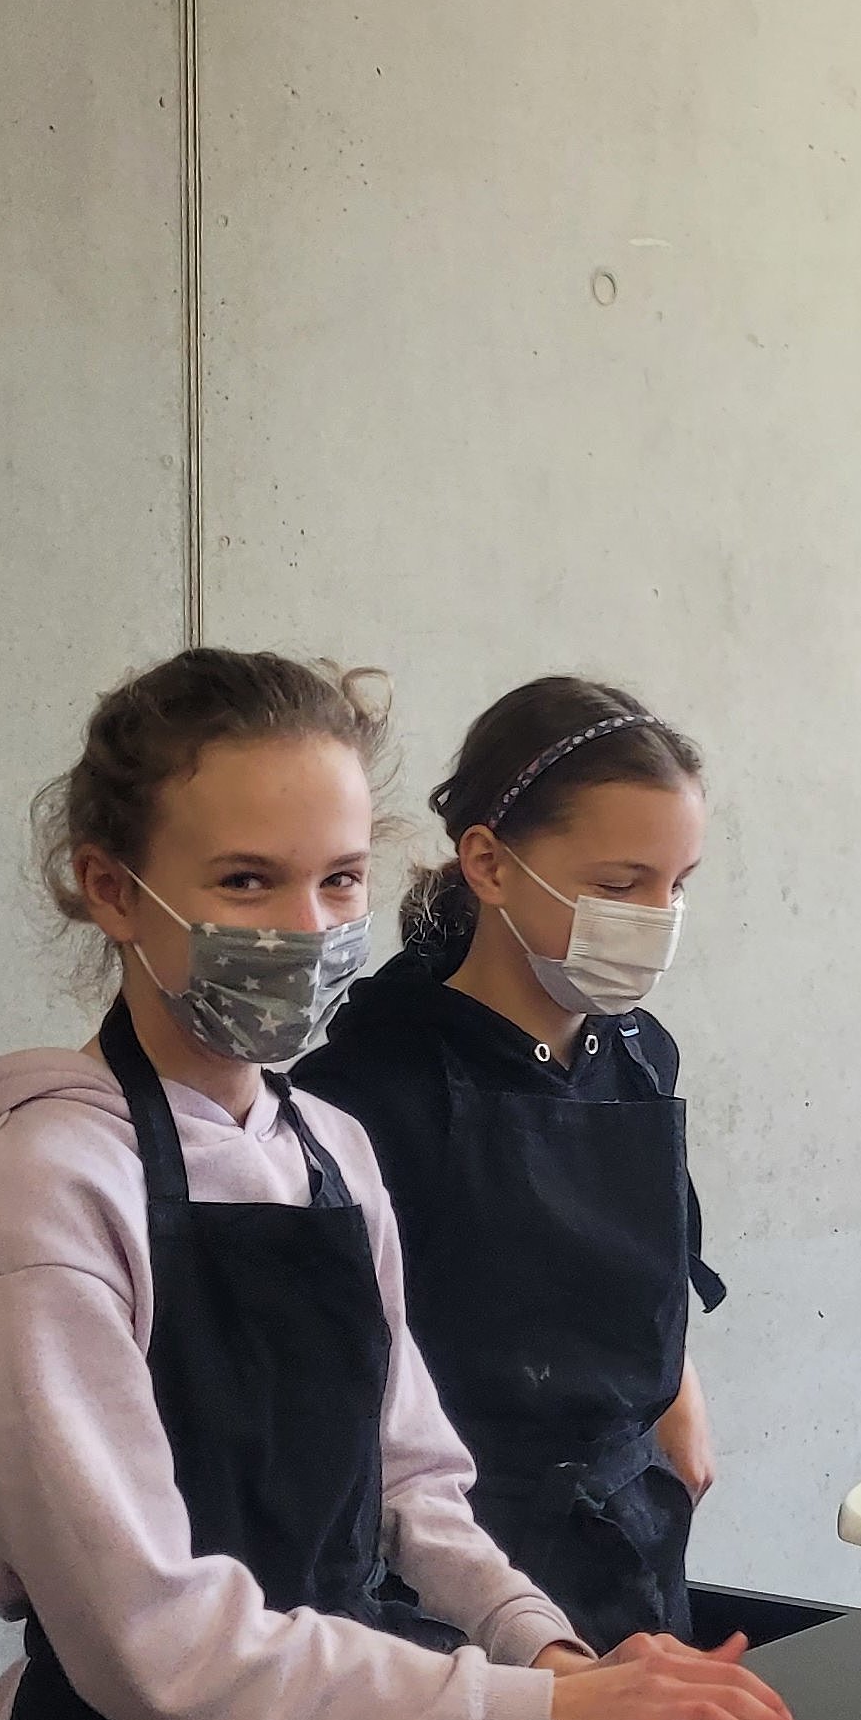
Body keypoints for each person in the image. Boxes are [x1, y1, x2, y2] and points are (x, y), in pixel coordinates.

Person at [0, 650, 794, 1720]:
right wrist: (537, 1707)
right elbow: (158, 1642)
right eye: (247, 881)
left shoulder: (328, 1148)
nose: (306, 930)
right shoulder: (37, 1192)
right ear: (112, 890)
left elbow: (412, 1482)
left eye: (339, 879)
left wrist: (547, 1646)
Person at [296, 678, 721, 1654]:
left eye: (678, 883)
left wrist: (680, 1399)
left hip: (631, 1535)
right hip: (445, 1573)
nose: (657, 916)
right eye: (620, 885)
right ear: (488, 863)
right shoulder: (366, 1090)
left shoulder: (641, 1056)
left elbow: (659, 1264)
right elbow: (341, 1397)